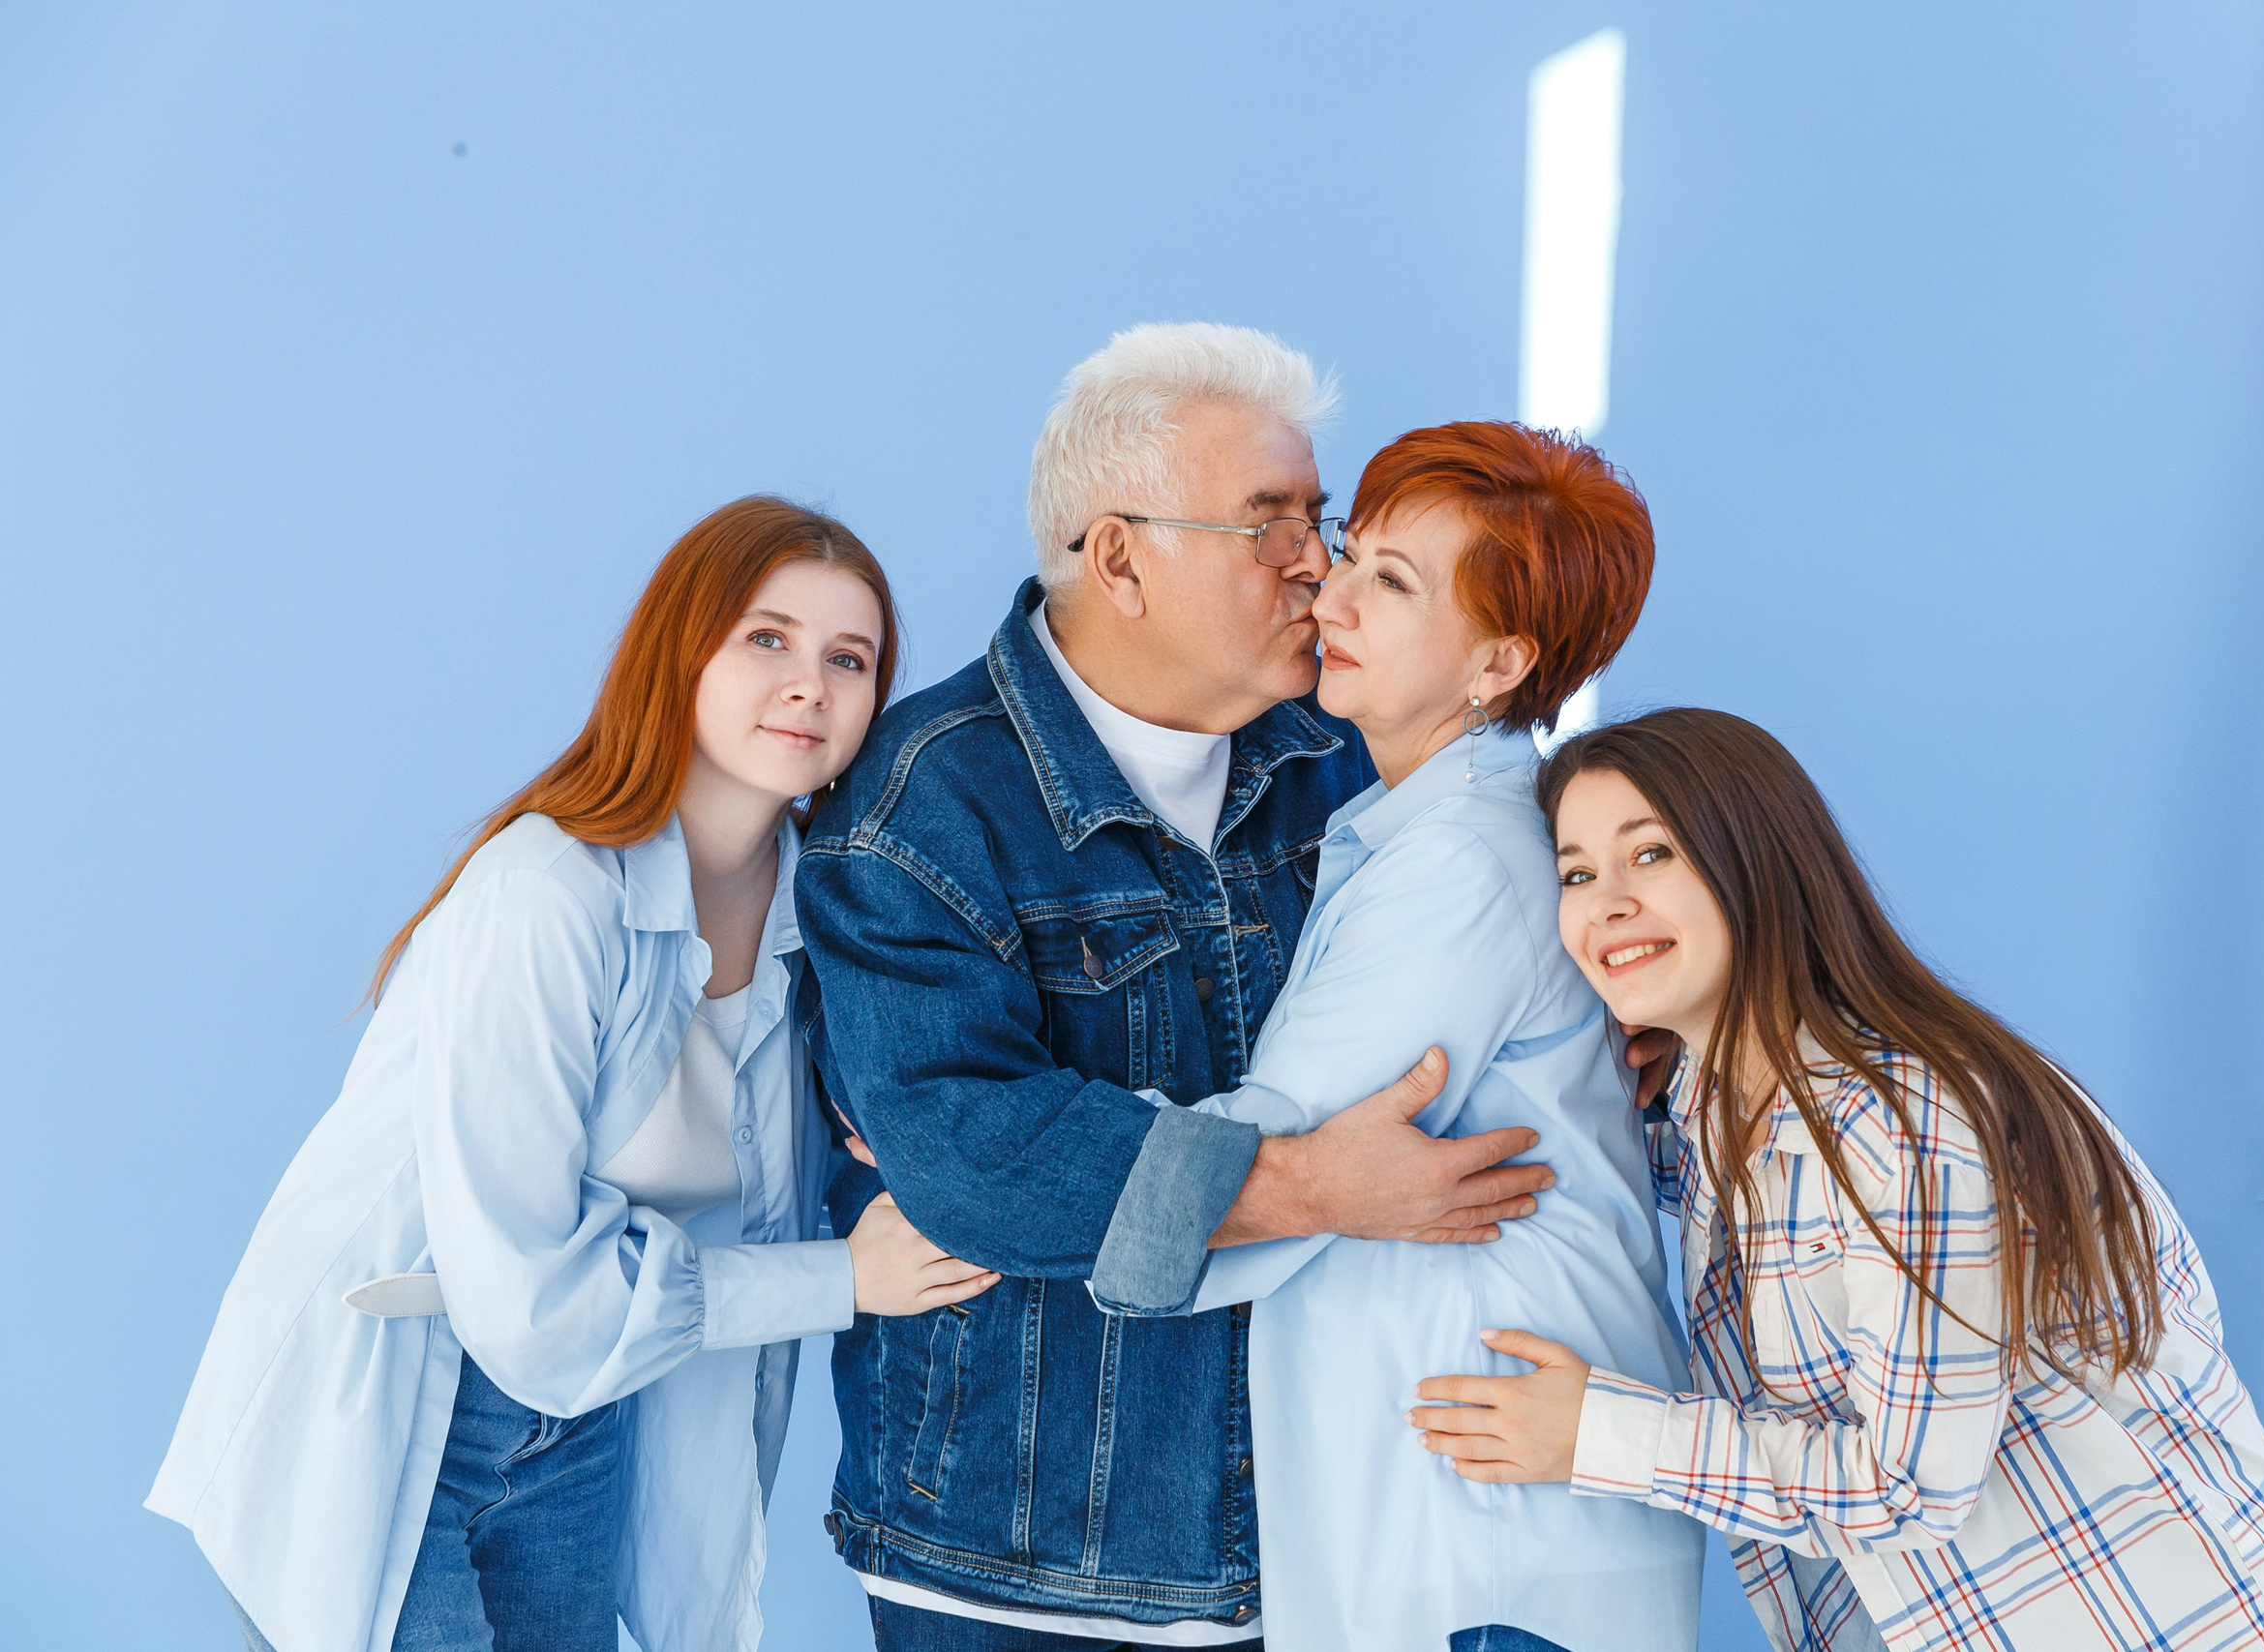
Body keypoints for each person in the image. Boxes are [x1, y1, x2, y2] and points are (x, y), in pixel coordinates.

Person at [798, 325, 1659, 1649]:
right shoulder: (918, 809)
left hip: (1317, 1539)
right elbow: (973, 1153)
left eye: (1324, 526)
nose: (1314, 566)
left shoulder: (1350, 755)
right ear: (1121, 554)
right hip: (1026, 1557)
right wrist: (1314, 1178)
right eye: (1271, 525)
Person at [149, 497, 997, 1652]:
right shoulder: (549, 892)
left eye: (849, 659)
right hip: (413, 1396)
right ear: (679, 651)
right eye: (768, 638)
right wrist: (842, 1279)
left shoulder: (829, 916)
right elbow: (530, 1301)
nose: (811, 684)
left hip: (597, 1408)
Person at [1407, 709, 2264, 1652]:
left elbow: (1908, 1488)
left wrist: (1598, 1437)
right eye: (1575, 873)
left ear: (1756, 865)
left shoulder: (1905, 1123)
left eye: (1650, 856)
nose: (1603, 902)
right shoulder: (1725, 1114)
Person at [1159, 421, 1706, 1652]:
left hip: (1488, 1557)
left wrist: (993, 1168)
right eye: (1351, 553)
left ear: (1498, 660)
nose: (1331, 590)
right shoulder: (1419, 829)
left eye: (1392, 582)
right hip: (1470, 1531)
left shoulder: (1464, 861)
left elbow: (1280, 1142)